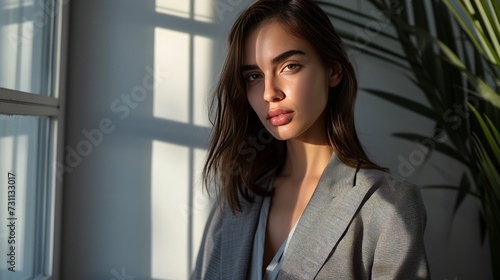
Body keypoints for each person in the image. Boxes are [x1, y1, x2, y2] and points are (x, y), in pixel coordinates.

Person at [192, 0, 430, 279]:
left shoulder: (387, 204)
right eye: (254, 76)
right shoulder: (235, 199)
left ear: (333, 70)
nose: (270, 93)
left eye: (289, 66)